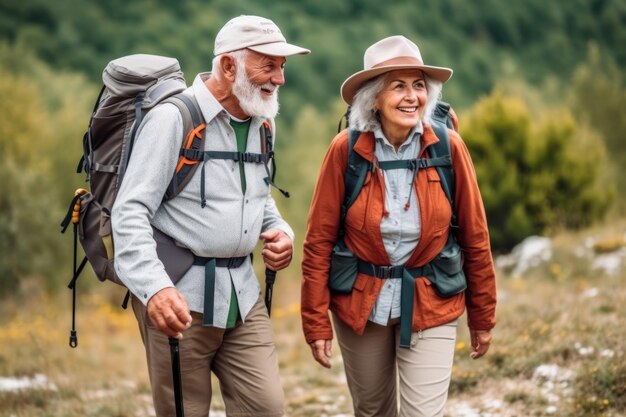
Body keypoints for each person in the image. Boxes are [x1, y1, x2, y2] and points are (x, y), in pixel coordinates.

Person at [112, 15, 309, 417]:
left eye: (282, 67)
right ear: (228, 65)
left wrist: (280, 231)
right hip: (180, 299)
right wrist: (156, 289)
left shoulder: (262, 123)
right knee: (185, 411)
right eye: (267, 65)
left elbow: (257, 196)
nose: (279, 79)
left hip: (244, 295)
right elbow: (130, 211)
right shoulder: (172, 119)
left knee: (266, 409)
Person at [301, 35, 496, 417]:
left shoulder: (447, 147)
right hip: (361, 302)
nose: (412, 96)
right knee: (373, 410)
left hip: (431, 299)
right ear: (373, 97)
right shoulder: (346, 150)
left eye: (419, 85)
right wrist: (315, 322)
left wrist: (483, 315)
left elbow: (475, 236)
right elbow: (318, 241)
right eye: (398, 86)